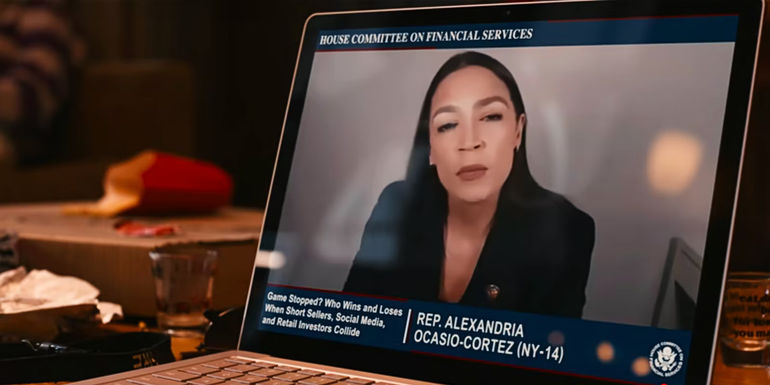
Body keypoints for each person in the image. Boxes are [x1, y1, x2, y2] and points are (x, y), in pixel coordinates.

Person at [343, 51, 595, 318]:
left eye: (490, 117)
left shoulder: (566, 228)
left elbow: (546, 342)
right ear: (430, 147)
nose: (470, 142)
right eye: (448, 125)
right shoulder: (397, 204)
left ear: (518, 131)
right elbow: (351, 321)